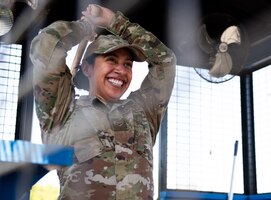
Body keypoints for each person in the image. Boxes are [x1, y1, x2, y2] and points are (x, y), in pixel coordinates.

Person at [30, 4, 176, 200]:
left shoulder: (143, 113)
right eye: (111, 60)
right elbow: (45, 45)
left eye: (127, 64)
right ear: (87, 68)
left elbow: (165, 62)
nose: (121, 70)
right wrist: (84, 28)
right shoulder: (62, 112)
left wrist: (115, 23)